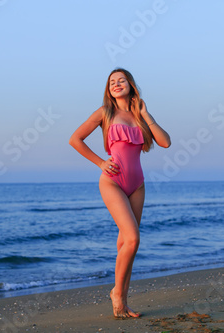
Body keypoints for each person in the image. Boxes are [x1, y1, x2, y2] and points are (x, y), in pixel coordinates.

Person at [69, 68, 171, 318]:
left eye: (121, 80)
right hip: (112, 181)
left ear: (131, 84)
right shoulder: (105, 112)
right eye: (112, 82)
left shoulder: (139, 115)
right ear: (108, 89)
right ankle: (117, 294)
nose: (116, 84)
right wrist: (100, 163)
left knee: (127, 244)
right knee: (133, 238)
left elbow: (165, 142)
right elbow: (75, 139)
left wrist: (146, 114)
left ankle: (122, 302)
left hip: (137, 185)